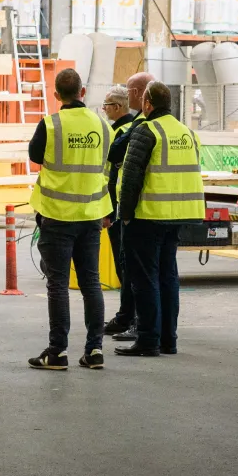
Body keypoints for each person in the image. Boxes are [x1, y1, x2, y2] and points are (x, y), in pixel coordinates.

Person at [27, 69, 112, 371]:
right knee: (91, 283)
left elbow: (35, 156)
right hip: (91, 216)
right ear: (83, 92)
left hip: (56, 216)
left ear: (55, 95)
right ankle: (95, 350)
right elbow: (108, 166)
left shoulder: (50, 125)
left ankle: (57, 352)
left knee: (58, 285)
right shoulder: (103, 126)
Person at [115, 81, 205, 358]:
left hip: (148, 216)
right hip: (178, 216)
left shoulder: (146, 130)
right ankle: (169, 339)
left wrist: (125, 216)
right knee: (168, 278)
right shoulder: (187, 133)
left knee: (144, 280)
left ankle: (148, 339)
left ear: (147, 104)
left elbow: (130, 178)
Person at [104, 72, 154, 342]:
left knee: (129, 266)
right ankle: (127, 315)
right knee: (126, 264)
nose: (104, 110)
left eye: (107, 105)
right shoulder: (125, 128)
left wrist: (112, 209)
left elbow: (116, 174)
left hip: (124, 208)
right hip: (122, 207)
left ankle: (133, 318)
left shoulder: (129, 130)